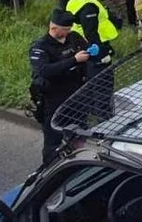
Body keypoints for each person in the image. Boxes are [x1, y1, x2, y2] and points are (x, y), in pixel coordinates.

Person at [29, 8, 89, 166]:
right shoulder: (40, 47)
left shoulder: (74, 38)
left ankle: (81, 165)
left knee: (81, 135)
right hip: (53, 99)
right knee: (53, 140)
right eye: (65, 29)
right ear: (53, 28)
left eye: (69, 29)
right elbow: (44, 70)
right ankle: (48, 170)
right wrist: (73, 61)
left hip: (77, 95)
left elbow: (86, 52)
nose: (68, 32)